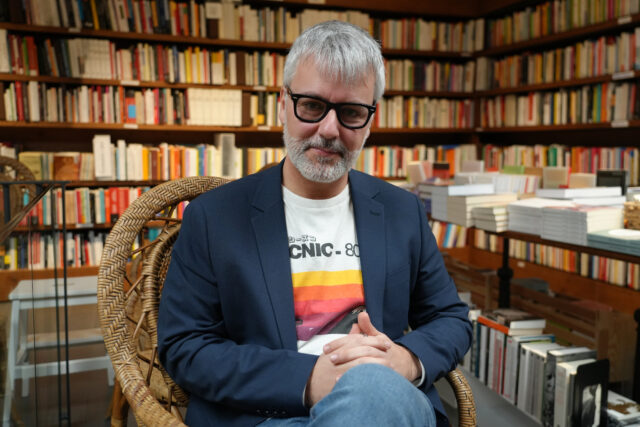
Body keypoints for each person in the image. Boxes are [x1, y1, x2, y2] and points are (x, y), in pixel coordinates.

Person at [158, 20, 472, 427]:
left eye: (351, 112)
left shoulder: (402, 211)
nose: (328, 130)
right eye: (311, 106)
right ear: (282, 104)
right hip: (266, 414)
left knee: (373, 393)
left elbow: (450, 319)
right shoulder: (213, 216)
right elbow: (185, 346)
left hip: (388, 402)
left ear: (370, 121)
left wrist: (406, 360)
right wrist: (308, 380)